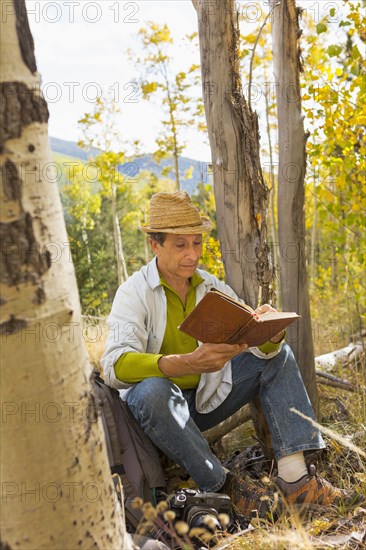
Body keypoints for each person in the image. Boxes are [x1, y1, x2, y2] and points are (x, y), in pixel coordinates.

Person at [102, 191, 362, 516]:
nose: (192, 254)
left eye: (196, 243)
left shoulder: (211, 288)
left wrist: (270, 332)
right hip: (155, 414)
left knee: (280, 357)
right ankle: (223, 486)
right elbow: (113, 367)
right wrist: (185, 363)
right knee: (153, 389)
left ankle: (296, 480)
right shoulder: (133, 292)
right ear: (155, 245)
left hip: (203, 403)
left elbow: (261, 351)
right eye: (180, 245)